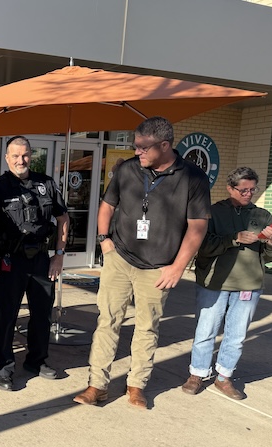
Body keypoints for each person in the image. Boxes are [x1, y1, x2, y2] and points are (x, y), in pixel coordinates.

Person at [73, 116, 211, 409]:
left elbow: (197, 227)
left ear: (165, 145)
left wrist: (177, 267)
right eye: (135, 146)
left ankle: (136, 386)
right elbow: (107, 205)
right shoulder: (127, 169)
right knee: (107, 321)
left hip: (159, 268)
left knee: (147, 328)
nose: (137, 152)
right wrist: (104, 240)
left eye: (143, 147)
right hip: (120, 258)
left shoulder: (193, 177)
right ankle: (97, 385)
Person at [0, 135, 69, 391]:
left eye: (26, 155)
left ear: (31, 155)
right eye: (16, 156)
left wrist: (59, 255)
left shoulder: (46, 184)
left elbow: (63, 219)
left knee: (42, 314)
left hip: (41, 260)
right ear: (7, 158)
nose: (21, 160)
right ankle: (3, 367)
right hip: (10, 260)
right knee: (7, 316)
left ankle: (36, 361)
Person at [181, 167, 272, 399]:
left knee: (237, 334)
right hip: (214, 282)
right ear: (230, 188)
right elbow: (202, 246)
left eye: (252, 189)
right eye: (243, 190)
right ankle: (197, 373)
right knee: (206, 330)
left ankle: (224, 377)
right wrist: (233, 239)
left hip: (249, 285)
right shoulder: (212, 212)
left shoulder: (263, 216)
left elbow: (268, 258)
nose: (248, 194)